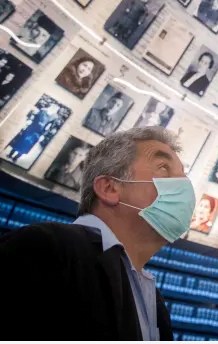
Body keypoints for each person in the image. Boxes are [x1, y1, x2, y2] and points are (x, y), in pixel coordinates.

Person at [0, 127, 189, 339]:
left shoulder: (155, 300)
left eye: (184, 175)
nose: (184, 184)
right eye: (164, 167)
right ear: (109, 188)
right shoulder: (43, 248)